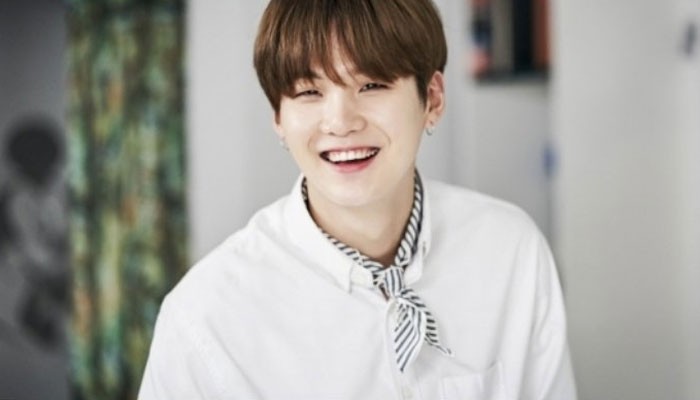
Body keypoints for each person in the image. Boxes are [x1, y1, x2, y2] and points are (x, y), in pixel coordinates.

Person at [139, 0, 577, 398]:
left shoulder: (511, 250)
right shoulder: (205, 316)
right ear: (279, 117)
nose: (340, 122)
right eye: (309, 92)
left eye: (372, 85)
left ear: (432, 99)